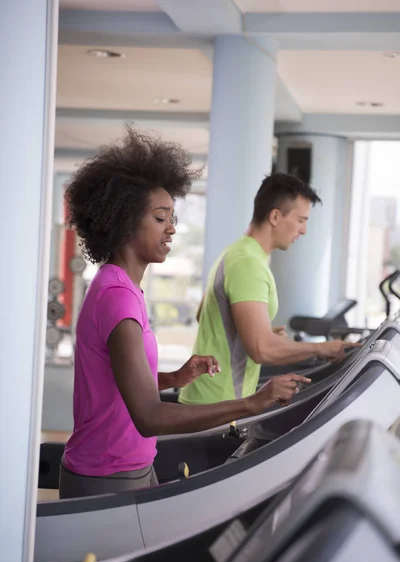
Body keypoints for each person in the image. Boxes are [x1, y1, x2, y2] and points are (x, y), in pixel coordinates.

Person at [59, 127, 309, 499]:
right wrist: (250, 403)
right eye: (161, 218)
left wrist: (176, 376)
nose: (172, 229)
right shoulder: (117, 296)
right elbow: (147, 416)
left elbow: (120, 383)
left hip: (132, 467)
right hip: (106, 474)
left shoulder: (122, 287)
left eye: (172, 218)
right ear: (126, 220)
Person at [179, 173, 360, 406]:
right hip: (219, 404)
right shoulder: (248, 264)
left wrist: (254, 330)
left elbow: (203, 314)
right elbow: (262, 350)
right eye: (301, 220)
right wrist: (321, 348)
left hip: (209, 399)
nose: (304, 230)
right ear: (275, 216)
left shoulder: (236, 253)